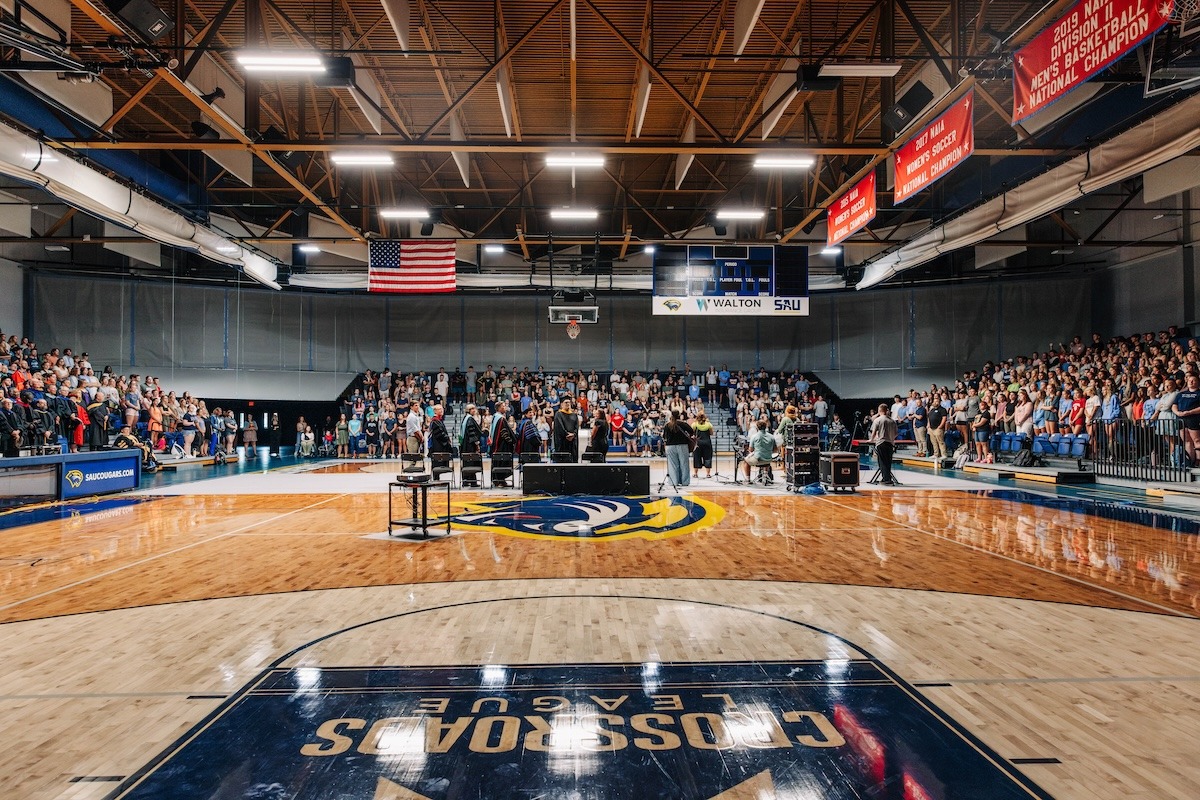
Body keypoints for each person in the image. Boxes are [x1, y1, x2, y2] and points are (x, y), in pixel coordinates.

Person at [661, 408, 694, 487]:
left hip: (670, 446)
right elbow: (692, 432)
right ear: (679, 415)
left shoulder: (667, 425)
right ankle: (685, 482)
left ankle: (674, 482)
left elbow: (664, 436)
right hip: (682, 445)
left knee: (673, 465)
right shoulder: (683, 424)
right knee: (684, 464)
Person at [869, 404, 899, 485]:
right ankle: (885, 478)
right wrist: (891, 437)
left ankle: (886, 479)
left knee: (882, 461)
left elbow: (874, 432)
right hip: (890, 443)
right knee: (888, 461)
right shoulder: (892, 421)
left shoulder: (878, 420)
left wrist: (871, 439)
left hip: (881, 442)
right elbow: (896, 433)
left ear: (879, 411)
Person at [552, 398, 579, 462]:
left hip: (572, 442)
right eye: (565, 402)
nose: (567, 404)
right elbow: (559, 427)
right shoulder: (558, 414)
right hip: (562, 441)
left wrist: (573, 434)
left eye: (569, 402)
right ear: (561, 404)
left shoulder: (574, 415)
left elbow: (576, 427)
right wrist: (567, 435)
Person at [692, 411, 714, 478]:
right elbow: (711, 433)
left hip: (698, 443)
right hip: (707, 442)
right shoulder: (708, 424)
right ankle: (708, 474)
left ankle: (695, 474)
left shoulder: (694, 424)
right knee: (707, 458)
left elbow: (692, 433)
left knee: (696, 458)